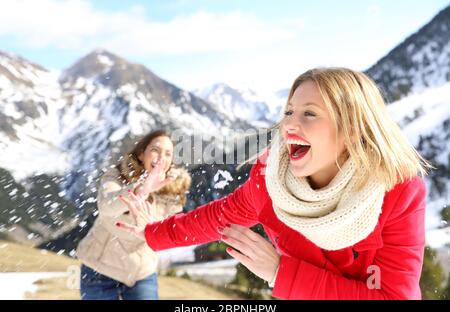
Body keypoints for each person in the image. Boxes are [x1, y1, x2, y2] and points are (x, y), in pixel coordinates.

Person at [117, 68, 432, 299]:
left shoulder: (398, 192)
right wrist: (151, 233)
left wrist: (281, 273)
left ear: (351, 129)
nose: (289, 125)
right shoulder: (269, 182)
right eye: (289, 112)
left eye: (309, 114)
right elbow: (216, 219)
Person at [76, 129, 191, 300]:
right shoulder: (116, 176)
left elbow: (167, 234)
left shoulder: (171, 193)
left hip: (141, 273)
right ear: (141, 154)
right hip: (99, 269)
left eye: (168, 154)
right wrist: (141, 190)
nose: (161, 157)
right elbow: (107, 206)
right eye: (155, 150)